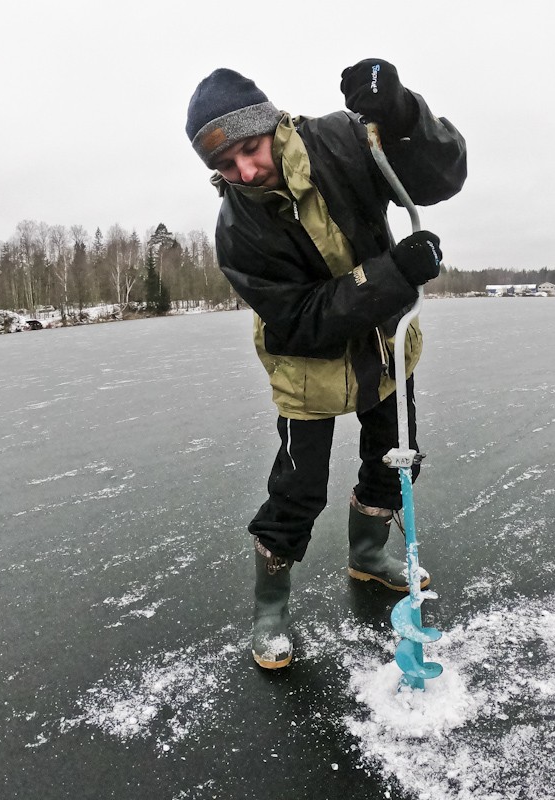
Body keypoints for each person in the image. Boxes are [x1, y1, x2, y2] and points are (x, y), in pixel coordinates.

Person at [185, 59, 466, 669]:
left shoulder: (342, 139)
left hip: (385, 349)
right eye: (225, 166)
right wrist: (394, 274)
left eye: (250, 150)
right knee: (298, 491)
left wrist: (398, 113)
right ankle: (270, 609)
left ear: (270, 124)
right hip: (304, 367)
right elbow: (305, 318)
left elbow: (442, 175)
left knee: (393, 461)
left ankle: (367, 555)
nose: (245, 171)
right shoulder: (237, 230)